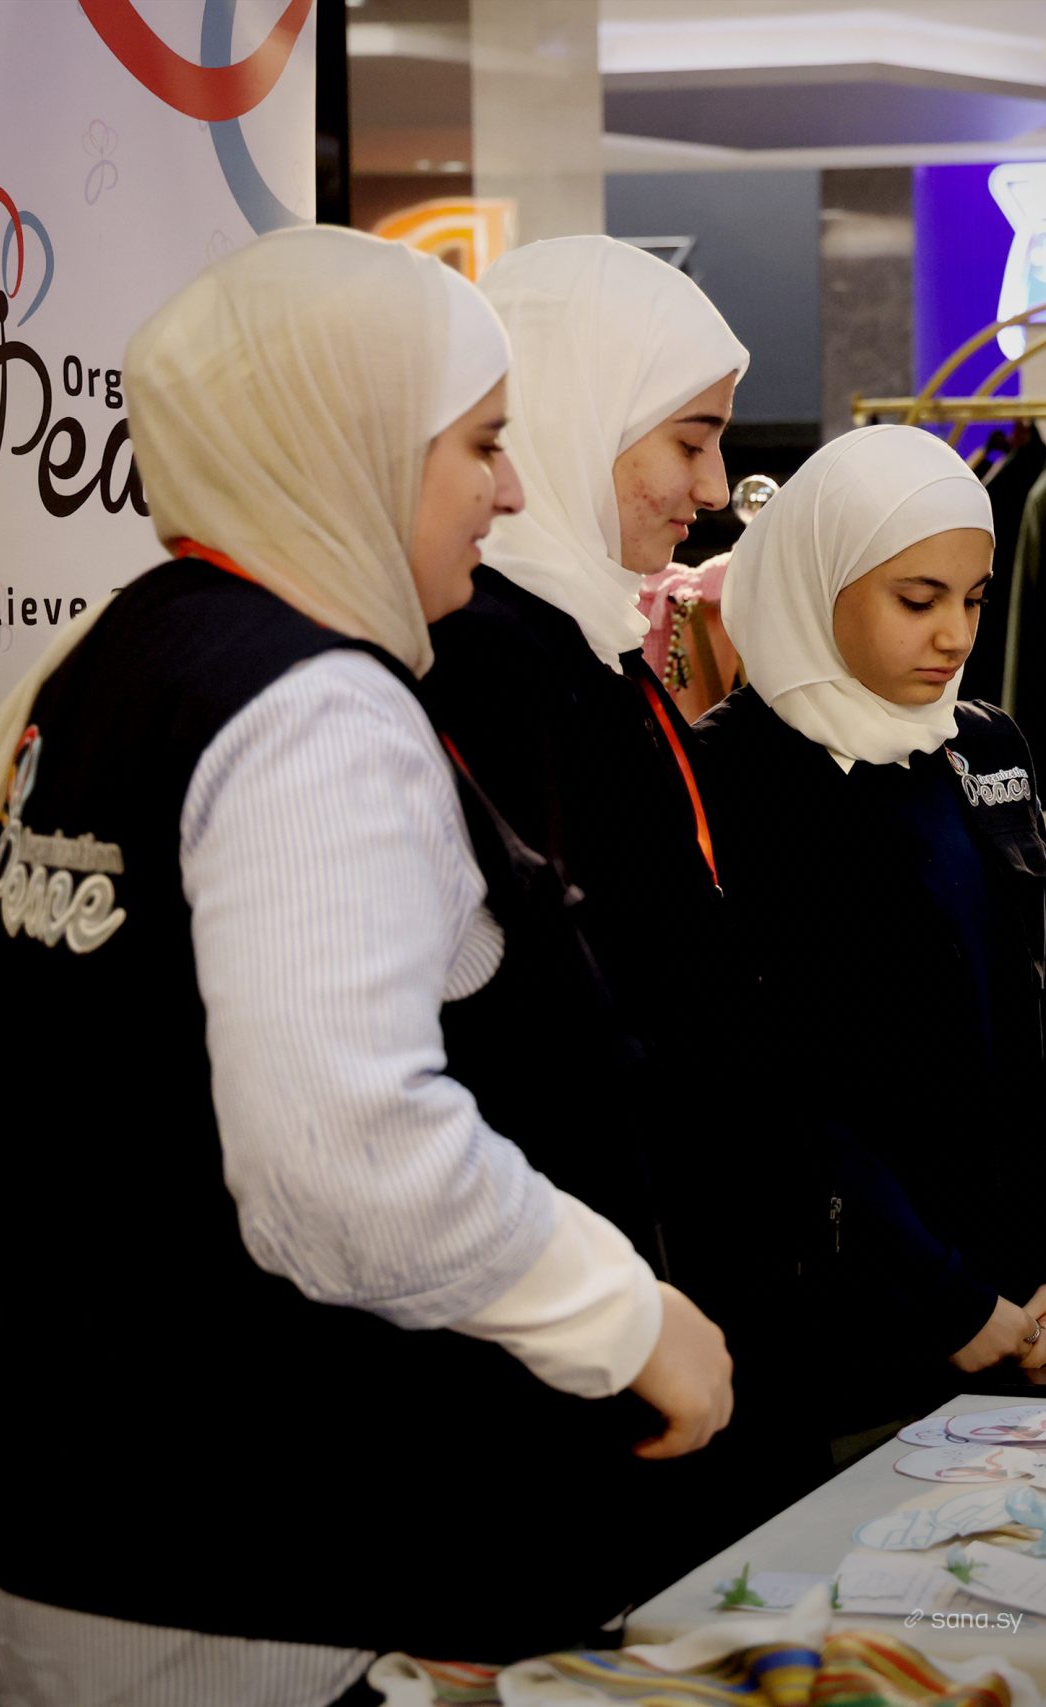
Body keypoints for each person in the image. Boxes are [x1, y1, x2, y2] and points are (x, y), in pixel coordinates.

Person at [0, 227, 734, 1702]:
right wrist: (626, 1317)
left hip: (113, 1525)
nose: (510, 489)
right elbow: (344, 1158)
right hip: (259, 1565)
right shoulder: (307, 706)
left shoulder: (130, 655)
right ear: (353, 438)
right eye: (480, 445)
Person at [413, 238, 811, 1495]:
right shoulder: (488, 662)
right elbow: (535, 1025)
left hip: (663, 1267)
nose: (712, 487)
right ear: (578, 411)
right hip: (588, 1312)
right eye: (689, 440)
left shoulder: (582, 641)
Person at [696, 424, 1046, 1439]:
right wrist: (943, 1296)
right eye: (917, 600)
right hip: (838, 1324)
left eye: (973, 599)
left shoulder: (983, 748)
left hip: (1024, 1301)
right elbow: (773, 1090)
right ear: (820, 583)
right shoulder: (733, 776)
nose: (955, 636)